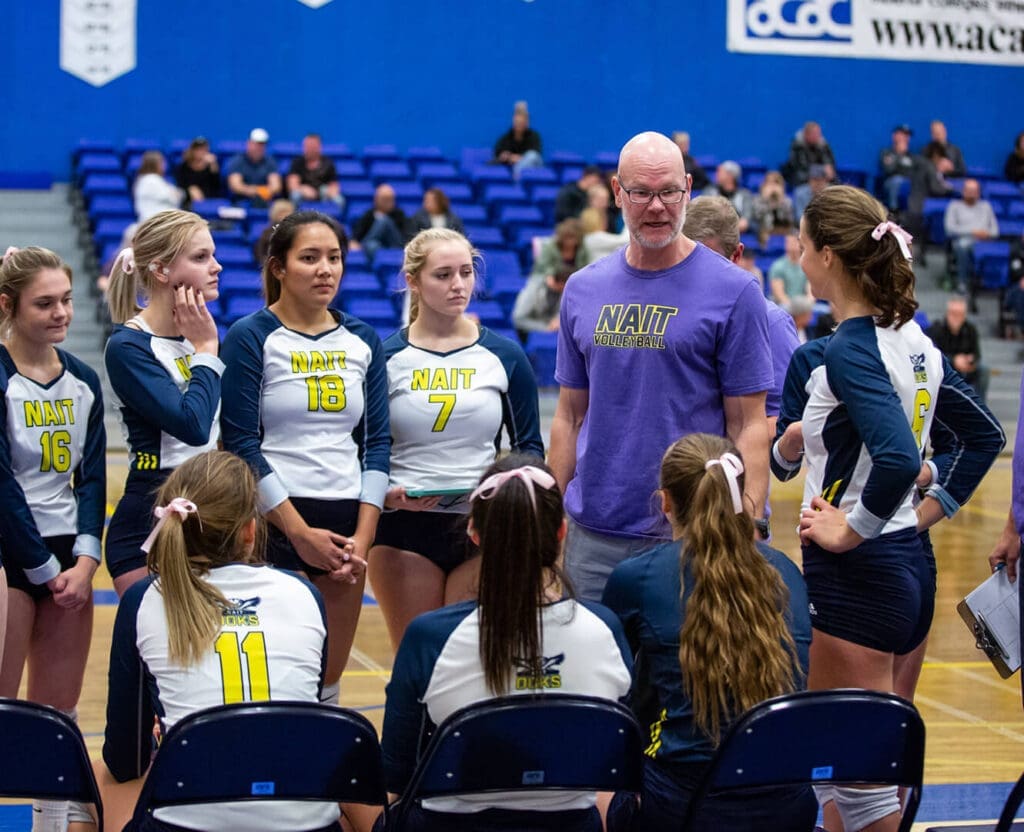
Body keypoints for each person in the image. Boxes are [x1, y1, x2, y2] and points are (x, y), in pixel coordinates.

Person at [771, 186, 944, 832]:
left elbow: (898, 459)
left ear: (827, 257)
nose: (796, 252)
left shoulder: (849, 348)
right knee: (852, 768)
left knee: (857, 773)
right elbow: (976, 434)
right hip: (903, 561)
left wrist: (851, 529)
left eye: (802, 241)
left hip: (863, 572)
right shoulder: (912, 340)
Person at [550, 131, 772, 601]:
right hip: (592, 537)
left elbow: (749, 424)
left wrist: (748, 518)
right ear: (616, 193)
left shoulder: (736, 292)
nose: (657, 207)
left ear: (688, 189)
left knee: (681, 676)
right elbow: (569, 416)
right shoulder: (582, 289)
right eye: (641, 193)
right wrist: (550, 515)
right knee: (595, 675)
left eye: (669, 192)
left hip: (693, 535)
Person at [377, 455, 632, 831]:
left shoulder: (432, 637)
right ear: (562, 532)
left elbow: (394, 776)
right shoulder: (605, 628)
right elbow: (622, 761)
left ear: (475, 535)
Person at [98, 450, 340, 832]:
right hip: (306, 823)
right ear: (250, 530)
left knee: (104, 777)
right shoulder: (304, 593)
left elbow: (125, 757)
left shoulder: (144, 598)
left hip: (186, 823)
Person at [602, 434, 815, 831]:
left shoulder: (638, 578)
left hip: (681, 805)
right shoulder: (786, 571)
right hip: (785, 803)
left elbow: (612, 686)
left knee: (598, 775)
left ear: (665, 503)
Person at [220, 210, 388, 701]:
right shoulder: (251, 337)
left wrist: (362, 537)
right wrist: (297, 533)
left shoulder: (363, 339)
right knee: (276, 679)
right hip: (271, 524)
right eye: (309, 258)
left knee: (328, 681)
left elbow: (376, 444)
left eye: (334, 258)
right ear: (278, 268)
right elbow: (241, 444)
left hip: (345, 526)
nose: (325, 270)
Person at [369, 229, 544, 652]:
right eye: (443, 275)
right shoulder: (383, 357)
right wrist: (385, 495)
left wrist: (506, 496)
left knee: (473, 661)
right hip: (403, 529)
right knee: (419, 661)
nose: (459, 285)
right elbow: (365, 450)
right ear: (413, 281)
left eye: (466, 273)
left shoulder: (504, 356)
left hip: (481, 525)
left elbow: (530, 453)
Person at [0, 246, 105, 832]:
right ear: (8, 306)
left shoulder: (84, 380)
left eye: (66, 299)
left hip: (70, 556)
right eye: (45, 303)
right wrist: (40, 566)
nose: (62, 312)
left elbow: (92, 479)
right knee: (4, 708)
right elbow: (2, 485)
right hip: (11, 554)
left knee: (56, 714)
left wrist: (87, 558)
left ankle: (48, 823)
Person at [104, 209, 222, 596]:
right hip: (153, 513)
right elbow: (192, 426)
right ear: (161, 270)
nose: (217, 266)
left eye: (213, 255)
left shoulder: (198, 337)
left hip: (211, 507)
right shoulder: (128, 346)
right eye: (201, 257)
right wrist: (206, 349)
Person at [683, 195, 799, 440]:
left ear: (737, 256)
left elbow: (785, 418)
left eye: (711, 264)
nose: (698, 275)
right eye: (687, 262)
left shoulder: (771, 322)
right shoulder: (664, 313)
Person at [927, 296, 989, 401]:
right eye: (953, 314)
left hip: (966, 368)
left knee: (983, 370)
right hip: (944, 369)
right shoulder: (936, 329)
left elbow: (977, 354)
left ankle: (979, 405)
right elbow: (932, 356)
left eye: (960, 314)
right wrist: (954, 360)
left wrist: (971, 361)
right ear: (947, 313)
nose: (956, 318)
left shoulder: (971, 329)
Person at [944, 178, 999, 295]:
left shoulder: (986, 206)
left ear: (979, 192)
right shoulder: (954, 206)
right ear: (963, 191)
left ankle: (989, 281)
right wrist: (973, 232)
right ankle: (962, 282)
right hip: (963, 239)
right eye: (969, 190)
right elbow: (949, 229)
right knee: (962, 246)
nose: (972, 194)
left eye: (974, 191)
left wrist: (987, 234)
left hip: (984, 241)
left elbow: (995, 231)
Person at [784, 121, 838, 218]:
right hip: (802, 181)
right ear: (806, 134)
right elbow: (799, 169)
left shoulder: (823, 146)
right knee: (801, 193)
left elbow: (831, 165)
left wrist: (829, 172)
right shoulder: (798, 146)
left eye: (819, 134)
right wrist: (820, 171)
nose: (818, 136)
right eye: (815, 134)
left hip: (824, 181)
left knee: (836, 191)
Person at [349, 184, 411, 261]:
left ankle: (367, 243)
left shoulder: (399, 214)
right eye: (384, 199)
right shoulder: (369, 214)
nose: (387, 202)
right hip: (375, 247)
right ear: (376, 199)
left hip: (395, 245)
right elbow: (358, 233)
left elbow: (405, 236)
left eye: (389, 199)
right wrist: (354, 241)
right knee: (372, 245)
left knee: (384, 221)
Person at [287, 133, 344, 210]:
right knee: (295, 195)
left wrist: (329, 192)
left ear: (319, 147)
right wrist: (302, 189)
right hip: (303, 193)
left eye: (312, 146)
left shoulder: (328, 163)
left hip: (323, 193)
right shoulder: (297, 162)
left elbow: (334, 185)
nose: (309, 149)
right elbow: (292, 184)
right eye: (306, 146)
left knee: (339, 200)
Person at [226, 128, 281, 206]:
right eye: (257, 144)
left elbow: (276, 186)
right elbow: (236, 186)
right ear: (249, 143)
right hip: (241, 201)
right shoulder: (237, 161)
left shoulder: (270, 162)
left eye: (263, 144)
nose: (260, 147)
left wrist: (261, 193)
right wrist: (258, 191)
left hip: (265, 202)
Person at [513, 266, 572, 337]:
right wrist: (546, 328)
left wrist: (558, 320)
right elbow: (518, 319)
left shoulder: (563, 292)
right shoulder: (532, 290)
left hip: (552, 331)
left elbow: (561, 313)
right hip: (528, 334)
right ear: (561, 284)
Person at [492, 101, 543, 180]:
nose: (519, 123)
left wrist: (520, 158)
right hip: (511, 166)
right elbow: (499, 153)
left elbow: (536, 154)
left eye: (522, 121)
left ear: (527, 122)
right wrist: (506, 156)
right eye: (517, 121)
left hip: (534, 168)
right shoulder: (506, 137)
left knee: (532, 155)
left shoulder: (534, 136)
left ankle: (516, 178)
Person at [701, 161, 754, 233]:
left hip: (738, 234)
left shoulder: (745, 195)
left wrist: (723, 230)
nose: (716, 174)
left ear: (730, 176)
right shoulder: (709, 192)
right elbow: (705, 218)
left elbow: (745, 223)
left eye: (720, 171)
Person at [133, 151, 182, 222]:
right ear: (155, 164)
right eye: (162, 163)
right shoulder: (151, 180)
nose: (164, 165)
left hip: (158, 221)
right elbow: (173, 197)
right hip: (154, 222)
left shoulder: (147, 179)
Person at [878, 124, 916, 212]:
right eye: (903, 135)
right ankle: (893, 211)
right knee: (897, 180)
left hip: (908, 184)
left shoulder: (911, 156)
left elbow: (914, 174)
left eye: (907, 136)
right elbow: (888, 170)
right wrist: (899, 154)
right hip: (889, 183)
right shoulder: (886, 152)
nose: (905, 138)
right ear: (895, 136)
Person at [751, 170, 795, 245]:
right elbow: (758, 219)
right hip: (763, 232)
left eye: (776, 183)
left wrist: (779, 202)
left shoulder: (787, 202)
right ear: (764, 185)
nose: (773, 187)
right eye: (770, 183)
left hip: (784, 232)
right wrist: (767, 200)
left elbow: (788, 221)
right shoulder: (757, 200)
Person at [174, 136, 220, 205]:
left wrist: (213, 166)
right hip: (188, 200)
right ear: (192, 150)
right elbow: (180, 185)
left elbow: (217, 187)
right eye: (197, 149)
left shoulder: (211, 166)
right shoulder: (183, 166)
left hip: (208, 199)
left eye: (203, 149)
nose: (200, 152)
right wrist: (191, 191)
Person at [769, 232, 810, 309]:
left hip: (802, 305)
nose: (791, 244)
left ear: (800, 243)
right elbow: (779, 295)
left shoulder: (808, 266)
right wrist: (794, 308)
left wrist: (807, 305)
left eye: (794, 241)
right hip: (784, 305)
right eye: (788, 242)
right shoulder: (778, 266)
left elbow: (810, 294)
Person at [253, 198, 296, 265]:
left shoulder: (296, 231)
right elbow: (260, 253)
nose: (286, 215)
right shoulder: (267, 233)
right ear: (275, 214)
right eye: (283, 212)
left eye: (289, 212)